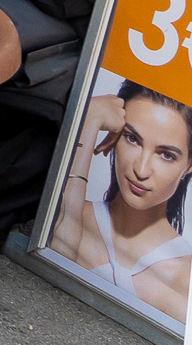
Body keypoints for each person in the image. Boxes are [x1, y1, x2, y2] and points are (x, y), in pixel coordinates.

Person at [50, 81, 192, 328]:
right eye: (132, 139)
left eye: (166, 155)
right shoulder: (69, 215)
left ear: (189, 165)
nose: (141, 170)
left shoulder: (185, 276)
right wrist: (88, 122)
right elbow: (52, 265)